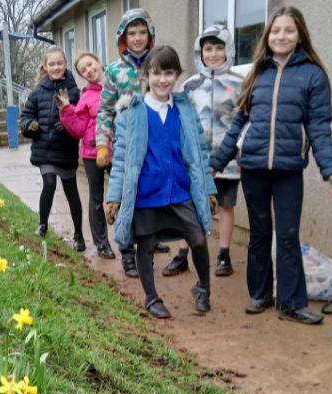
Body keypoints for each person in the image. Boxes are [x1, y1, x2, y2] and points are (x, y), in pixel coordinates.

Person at [210, 5, 332, 326]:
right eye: (276, 30)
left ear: (300, 36)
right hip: (253, 166)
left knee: (286, 235)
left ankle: (292, 303)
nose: (281, 36)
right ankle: (260, 295)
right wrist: (214, 163)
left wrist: (331, 168)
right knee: (259, 233)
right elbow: (238, 123)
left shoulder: (313, 75)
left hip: (288, 171)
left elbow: (319, 128)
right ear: (268, 36)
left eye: (289, 30)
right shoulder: (256, 73)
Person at [106, 46, 217, 320]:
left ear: (177, 75)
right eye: (156, 73)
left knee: (199, 240)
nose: (162, 79)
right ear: (146, 76)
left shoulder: (185, 110)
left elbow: (200, 154)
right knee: (146, 245)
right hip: (147, 195)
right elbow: (121, 159)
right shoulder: (132, 113)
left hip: (180, 192)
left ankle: (203, 288)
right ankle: (152, 298)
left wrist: (210, 189)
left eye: (168, 73)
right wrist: (114, 196)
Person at [162, 27, 244, 280]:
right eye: (208, 48)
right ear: (200, 52)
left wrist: (240, 153)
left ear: (228, 49)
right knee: (190, 207)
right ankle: (182, 254)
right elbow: (179, 121)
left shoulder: (239, 84)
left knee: (226, 207)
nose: (214, 53)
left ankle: (223, 255)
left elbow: (246, 122)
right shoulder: (190, 85)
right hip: (195, 162)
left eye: (219, 48)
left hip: (228, 162)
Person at [94, 10, 157, 277]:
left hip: (155, 144)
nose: (138, 38)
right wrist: (101, 144)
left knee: (150, 200)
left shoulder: (158, 63)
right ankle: (127, 252)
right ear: (123, 37)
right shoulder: (114, 70)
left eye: (142, 32)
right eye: (132, 33)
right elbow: (105, 110)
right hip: (126, 145)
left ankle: (146, 251)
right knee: (124, 197)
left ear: (150, 34)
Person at [22, 48, 84, 249]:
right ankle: (42, 224)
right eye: (52, 64)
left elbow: (80, 119)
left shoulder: (74, 92)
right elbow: (26, 116)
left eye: (59, 63)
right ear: (45, 67)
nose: (56, 67)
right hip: (45, 149)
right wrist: (29, 125)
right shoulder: (38, 92)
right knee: (49, 183)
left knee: (71, 191)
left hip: (65, 150)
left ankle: (78, 235)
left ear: (65, 65)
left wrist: (68, 125)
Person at [58, 52, 115, 258]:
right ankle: (101, 243)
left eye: (90, 65)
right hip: (93, 153)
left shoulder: (117, 83)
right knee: (97, 198)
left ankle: (137, 239)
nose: (89, 70)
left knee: (129, 194)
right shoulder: (87, 97)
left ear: (98, 62)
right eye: (83, 70)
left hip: (120, 150)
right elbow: (78, 129)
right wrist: (66, 110)